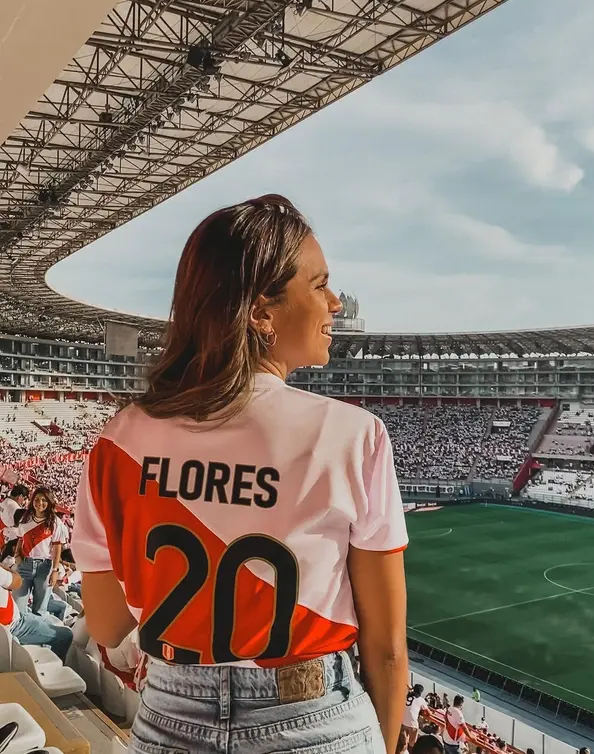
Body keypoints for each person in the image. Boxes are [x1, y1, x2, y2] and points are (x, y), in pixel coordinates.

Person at [72, 195, 409, 754]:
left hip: (167, 720)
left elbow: (107, 626)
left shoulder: (119, 440)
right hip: (317, 717)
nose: (334, 304)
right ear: (261, 312)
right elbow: (389, 649)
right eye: (319, 285)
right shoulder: (355, 436)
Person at [0, 563, 72, 660]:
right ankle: (54, 666)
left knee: (45, 620)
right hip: (14, 626)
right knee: (66, 635)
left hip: (14, 619)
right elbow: (18, 581)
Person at [14, 488, 66, 616]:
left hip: (44, 568)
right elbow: (20, 539)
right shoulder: (25, 519)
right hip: (25, 565)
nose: (40, 503)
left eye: (44, 500)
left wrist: (55, 571)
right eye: (36, 499)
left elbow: (57, 547)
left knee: (40, 609)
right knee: (18, 606)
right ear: (32, 501)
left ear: (49, 502)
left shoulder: (55, 522)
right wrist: (17, 556)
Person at [402, 684, 429, 750]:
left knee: (403, 743)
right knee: (412, 744)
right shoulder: (421, 700)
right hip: (412, 724)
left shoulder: (407, 695)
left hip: (403, 722)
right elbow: (428, 712)